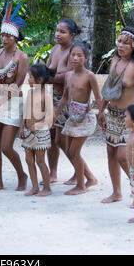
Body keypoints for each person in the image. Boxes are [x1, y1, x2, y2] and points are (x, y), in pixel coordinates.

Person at [98, 26, 134, 204]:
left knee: (124, 155)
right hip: (112, 113)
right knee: (111, 153)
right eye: (119, 42)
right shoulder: (115, 60)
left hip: (130, 117)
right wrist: (101, 110)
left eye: (125, 43)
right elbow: (110, 86)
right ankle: (116, 192)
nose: (120, 46)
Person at [0, 0, 29, 192]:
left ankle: (22, 174)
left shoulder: (22, 57)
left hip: (12, 103)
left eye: (8, 36)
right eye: (2, 35)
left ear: (16, 37)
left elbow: (17, 87)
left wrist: (1, 94)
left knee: (6, 146)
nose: (4, 39)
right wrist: (1, 90)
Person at [53, 42, 100, 195]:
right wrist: (55, 114)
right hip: (72, 117)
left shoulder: (89, 76)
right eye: (73, 55)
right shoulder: (68, 75)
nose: (75, 58)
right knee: (69, 150)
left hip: (85, 118)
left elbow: (99, 98)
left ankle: (81, 185)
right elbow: (65, 97)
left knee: (74, 151)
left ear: (85, 58)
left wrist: (103, 115)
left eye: (79, 55)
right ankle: (90, 179)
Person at [46, 19, 80, 184]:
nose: (58, 34)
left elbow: (68, 76)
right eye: (57, 30)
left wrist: (48, 78)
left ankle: (79, 172)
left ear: (72, 35)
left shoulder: (74, 52)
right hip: (52, 98)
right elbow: (48, 70)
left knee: (65, 139)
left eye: (62, 32)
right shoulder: (55, 49)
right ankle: (52, 173)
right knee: (51, 136)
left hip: (67, 100)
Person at [19, 64, 55, 197]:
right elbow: (26, 111)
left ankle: (47, 188)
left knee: (40, 160)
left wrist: (38, 126)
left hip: (41, 132)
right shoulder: (30, 92)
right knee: (29, 159)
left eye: (31, 77)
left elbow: (50, 117)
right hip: (28, 131)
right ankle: (34, 187)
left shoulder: (46, 95)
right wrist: (22, 126)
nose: (28, 80)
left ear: (40, 80)